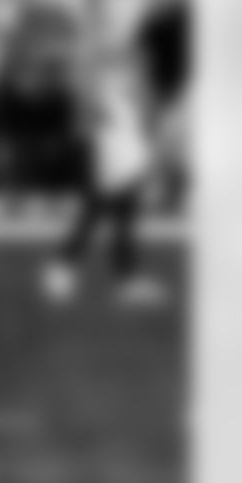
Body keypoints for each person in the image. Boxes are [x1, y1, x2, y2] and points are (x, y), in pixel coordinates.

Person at [45, 48, 166, 308]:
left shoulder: (136, 98)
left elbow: (141, 136)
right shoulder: (106, 94)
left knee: (125, 227)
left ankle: (127, 281)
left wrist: (146, 170)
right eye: (132, 68)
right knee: (89, 221)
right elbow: (91, 121)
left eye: (138, 69)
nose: (137, 74)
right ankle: (61, 269)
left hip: (131, 169)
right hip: (107, 169)